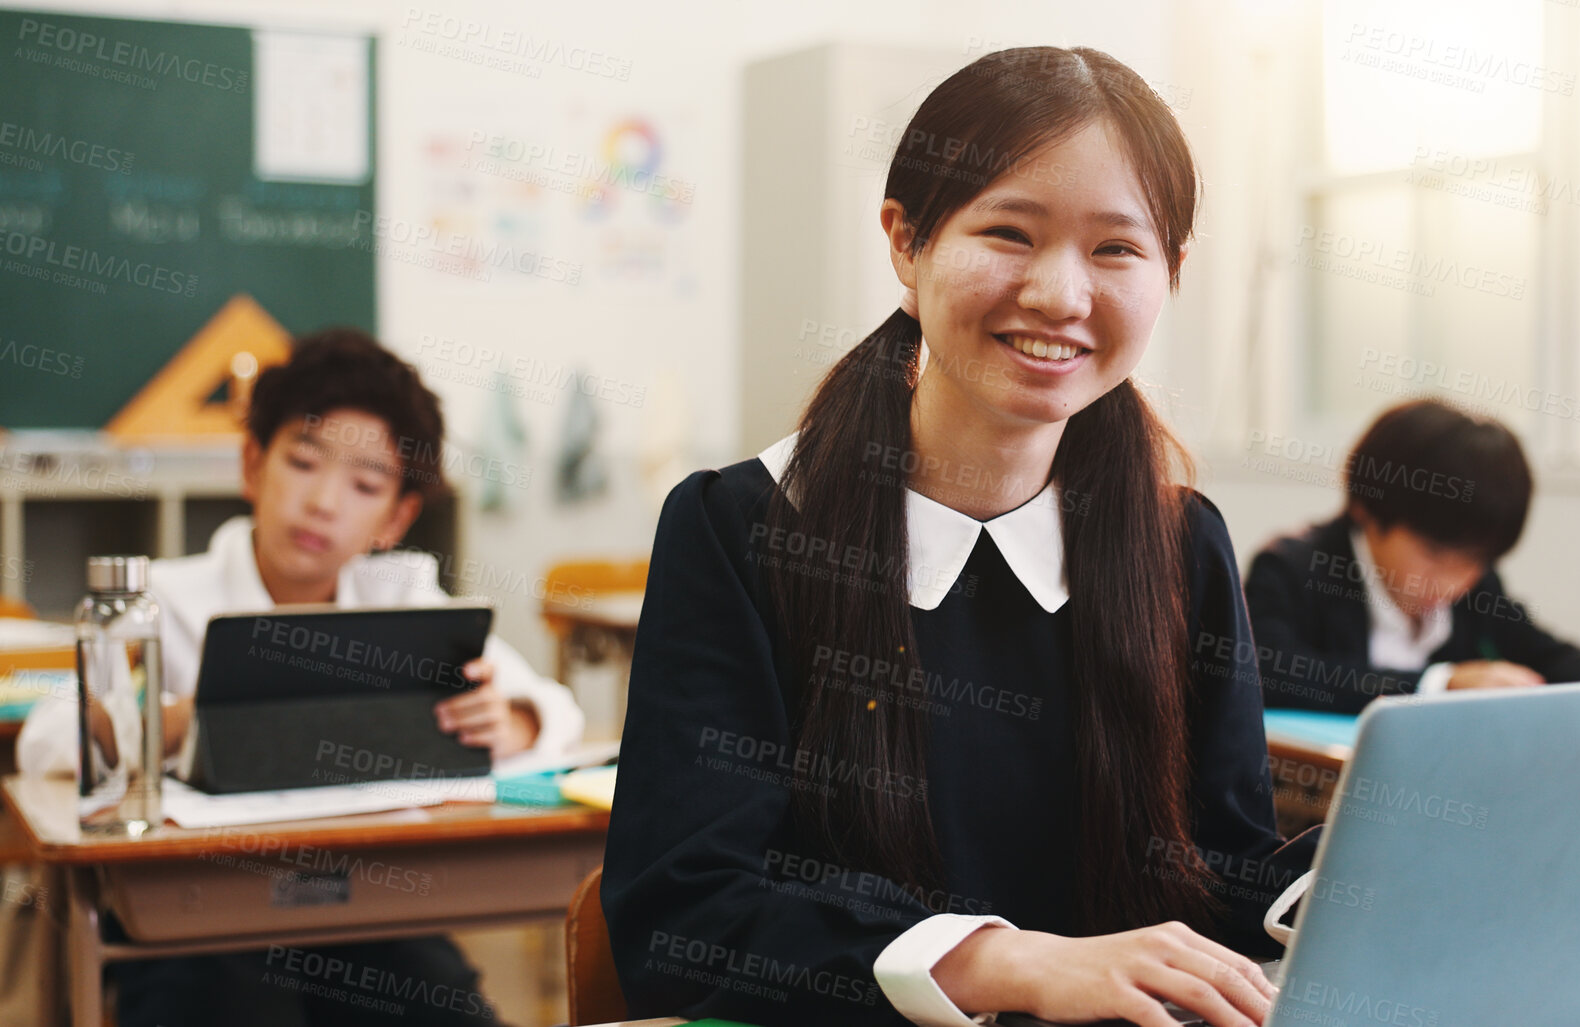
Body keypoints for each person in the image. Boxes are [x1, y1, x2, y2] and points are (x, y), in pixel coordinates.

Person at [603, 45, 1316, 1027]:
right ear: (906, 242)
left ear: (1172, 273)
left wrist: (1348, 883)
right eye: (1011, 233)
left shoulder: (1180, 540)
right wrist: (1000, 964)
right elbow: (680, 916)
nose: (1062, 296)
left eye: (1117, 249)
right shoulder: (746, 527)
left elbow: (1215, 878)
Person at [18, 327, 584, 1027]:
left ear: (397, 516)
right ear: (253, 465)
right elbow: (44, 740)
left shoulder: (399, 599)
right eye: (304, 462)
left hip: (369, 911)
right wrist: (159, 724)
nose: (323, 502)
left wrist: (517, 718)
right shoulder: (161, 602)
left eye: (364, 484)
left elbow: (554, 708)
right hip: (193, 916)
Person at [1245, 397, 1580, 714]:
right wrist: (1439, 685)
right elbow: (1272, 673)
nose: (1451, 583)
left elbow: (1549, 658)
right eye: (1434, 555)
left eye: (1474, 561)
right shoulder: (1292, 569)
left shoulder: (1474, 589)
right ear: (1368, 509)